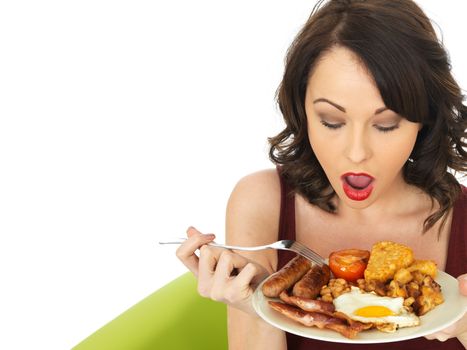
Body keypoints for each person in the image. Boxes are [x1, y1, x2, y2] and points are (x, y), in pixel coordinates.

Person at [176, 0, 467, 348]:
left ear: (424, 120)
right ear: (302, 111)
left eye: (386, 125)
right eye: (332, 121)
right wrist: (253, 306)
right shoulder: (262, 201)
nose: (357, 153)